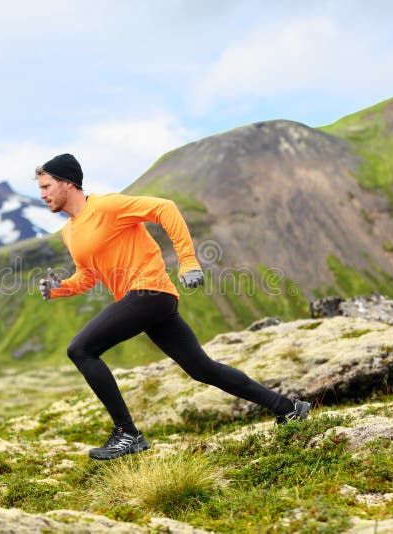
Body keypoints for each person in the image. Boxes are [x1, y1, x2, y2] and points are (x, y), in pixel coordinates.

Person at [36, 153, 311, 460]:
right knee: (202, 369)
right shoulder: (69, 231)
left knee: (81, 350)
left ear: (68, 183)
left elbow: (165, 208)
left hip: (149, 292)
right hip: (148, 302)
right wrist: (61, 289)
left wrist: (188, 260)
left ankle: (127, 433)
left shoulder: (107, 206)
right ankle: (288, 408)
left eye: (46, 186)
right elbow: (89, 274)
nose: (42, 194)